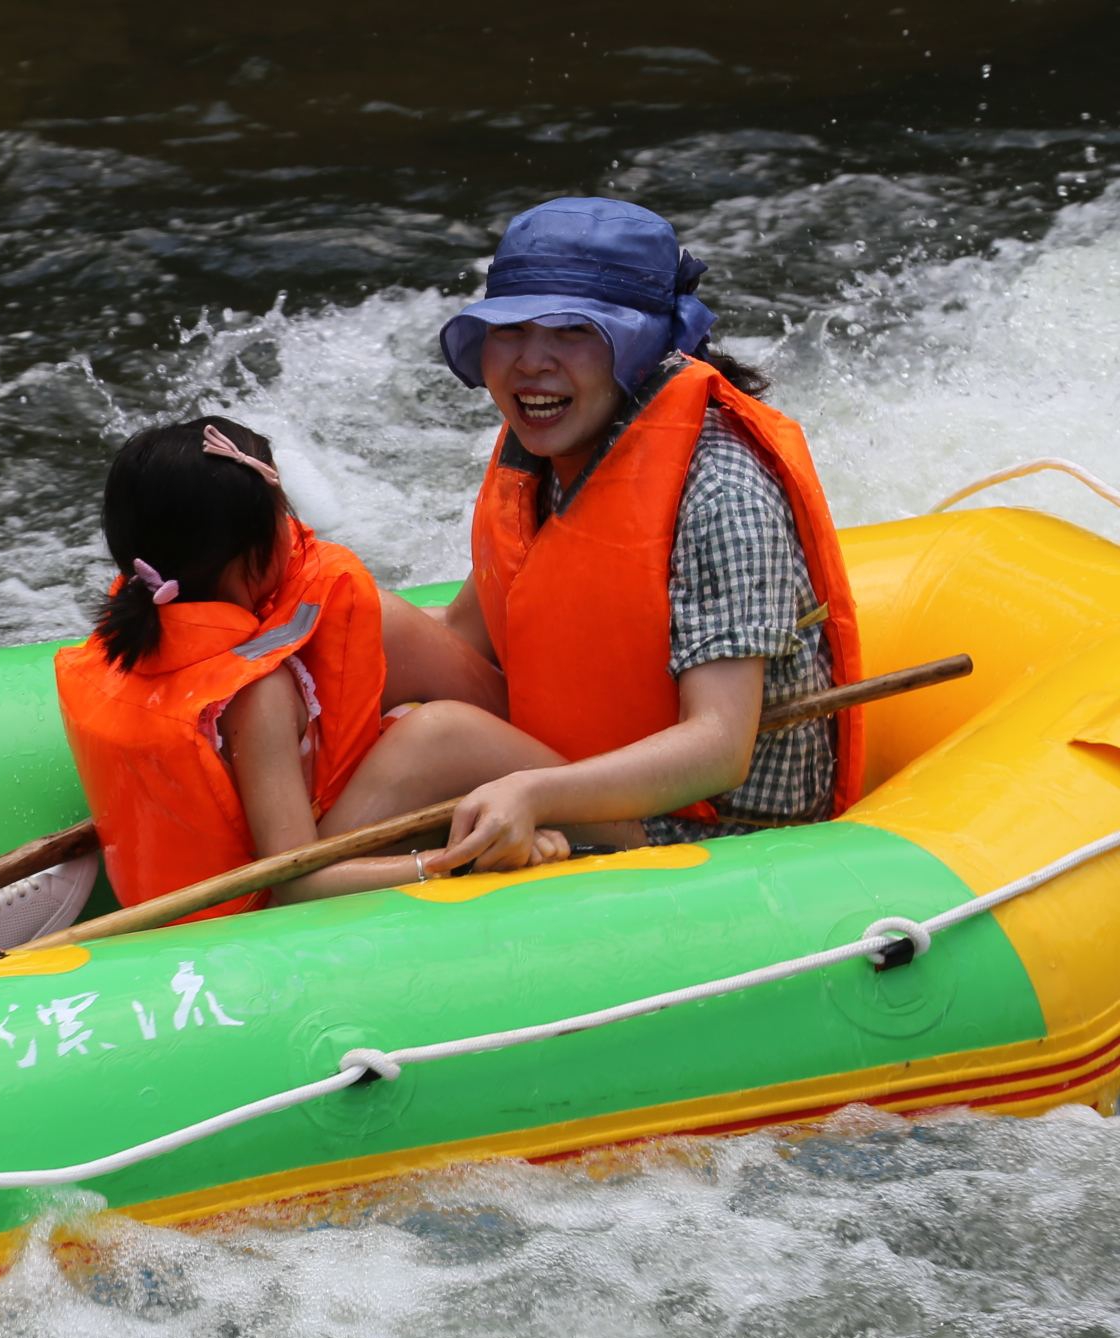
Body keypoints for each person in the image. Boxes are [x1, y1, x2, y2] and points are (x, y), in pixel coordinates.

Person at [324, 196, 866, 872]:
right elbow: (467, 634)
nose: (531, 362)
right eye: (510, 330)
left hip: (705, 826)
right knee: (363, 621)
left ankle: (283, 890)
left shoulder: (722, 492)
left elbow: (720, 747)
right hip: (583, 748)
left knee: (437, 740)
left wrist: (531, 791)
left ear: (643, 348)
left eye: (573, 332)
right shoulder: (555, 446)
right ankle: (242, 811)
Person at [50, 415, 557, 920]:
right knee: (440, 733)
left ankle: (539, 542)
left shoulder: (139, 642)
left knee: (386, 627)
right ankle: (617, 820)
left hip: (234, 870)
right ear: (256, 554)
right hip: (262, 912)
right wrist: (454, 864)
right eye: (282, 514)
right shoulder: (259, 696)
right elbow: (294, 881)